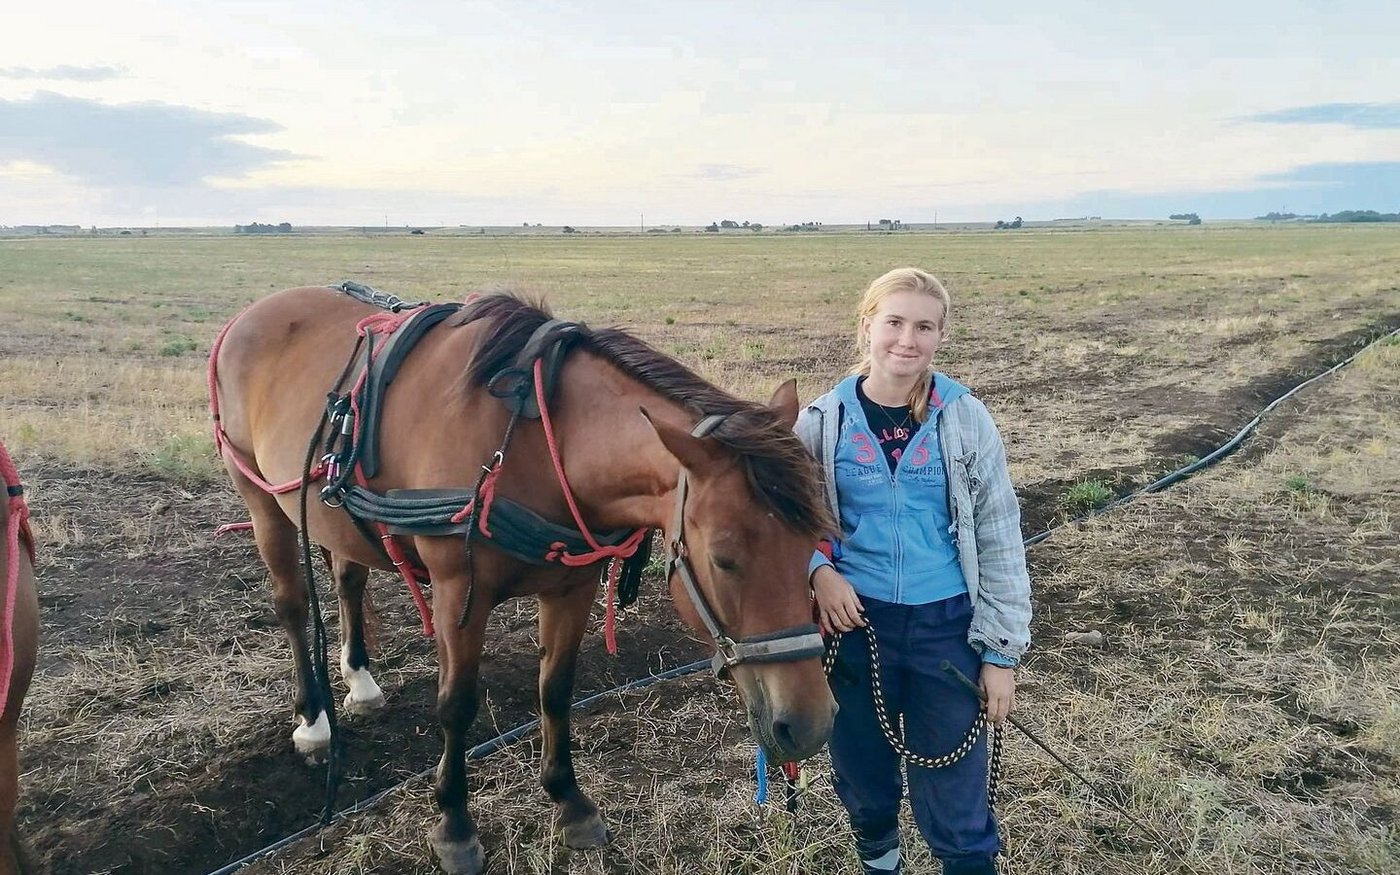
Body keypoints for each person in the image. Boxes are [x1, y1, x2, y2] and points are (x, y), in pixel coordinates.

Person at [795, 268, 1032, 875]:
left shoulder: (965, 417)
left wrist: (1001, 655)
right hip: (855, 628)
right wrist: (819, 570)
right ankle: (881, 859)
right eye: (894, 322)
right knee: (864, 774)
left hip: (946, 627)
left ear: (940, 336)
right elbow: (786, 521)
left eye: (924, 327)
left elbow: (1000, 534)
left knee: (956, 787)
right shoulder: (821, 421)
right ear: (866, 326)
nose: (907, 339)